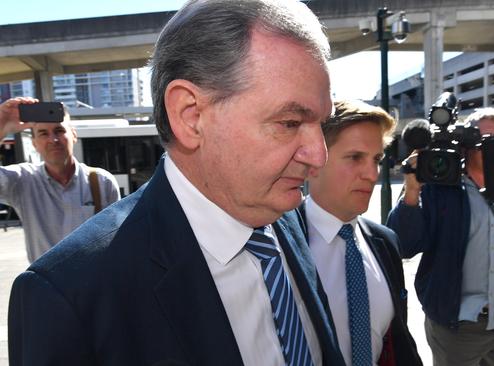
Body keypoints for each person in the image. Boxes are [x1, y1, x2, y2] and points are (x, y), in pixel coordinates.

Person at [8, 1, 346, 365]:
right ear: (191, 116)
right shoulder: (68, 296)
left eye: (322, 125)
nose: (318, 155)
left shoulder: (287, 219)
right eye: (290, 122)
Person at [387, 107, 494, 366]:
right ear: (467, 144)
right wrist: (412, 191)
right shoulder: (442, 187)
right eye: (486, 140)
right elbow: (404, 245)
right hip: (456, 326)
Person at [299, 100, 422, 366]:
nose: (372, 173)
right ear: (314, 160)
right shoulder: (276, 242)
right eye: (355, 157)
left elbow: (399, 342)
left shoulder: (385, 242)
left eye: (377, 159)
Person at [0, 97, 120, 263]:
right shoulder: (22, 181)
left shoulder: (101, 181)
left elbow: (117, 241)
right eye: (43, 133)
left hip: (94, 286)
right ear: (34, 144)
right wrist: (1, 125)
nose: (53, 140)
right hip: (45, 288)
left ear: (74, 135)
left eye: (59, 131)